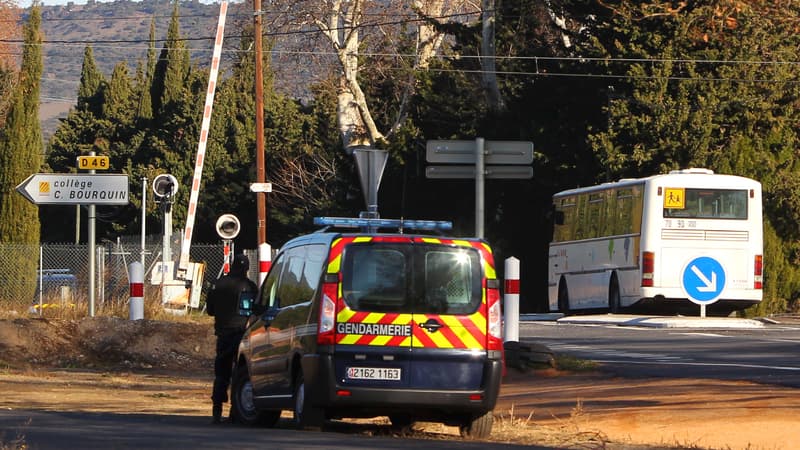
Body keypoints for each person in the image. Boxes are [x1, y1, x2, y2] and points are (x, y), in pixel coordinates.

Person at [206, 252, 258, 424]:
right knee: (240, 374)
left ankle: (216, 411)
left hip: (223, 334)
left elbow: (210, 310)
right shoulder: (249, 286)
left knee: (221, 374)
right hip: (241, 334)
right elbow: (257, 309)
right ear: (246, 269)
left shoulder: (217, 284)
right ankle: (235, 413)